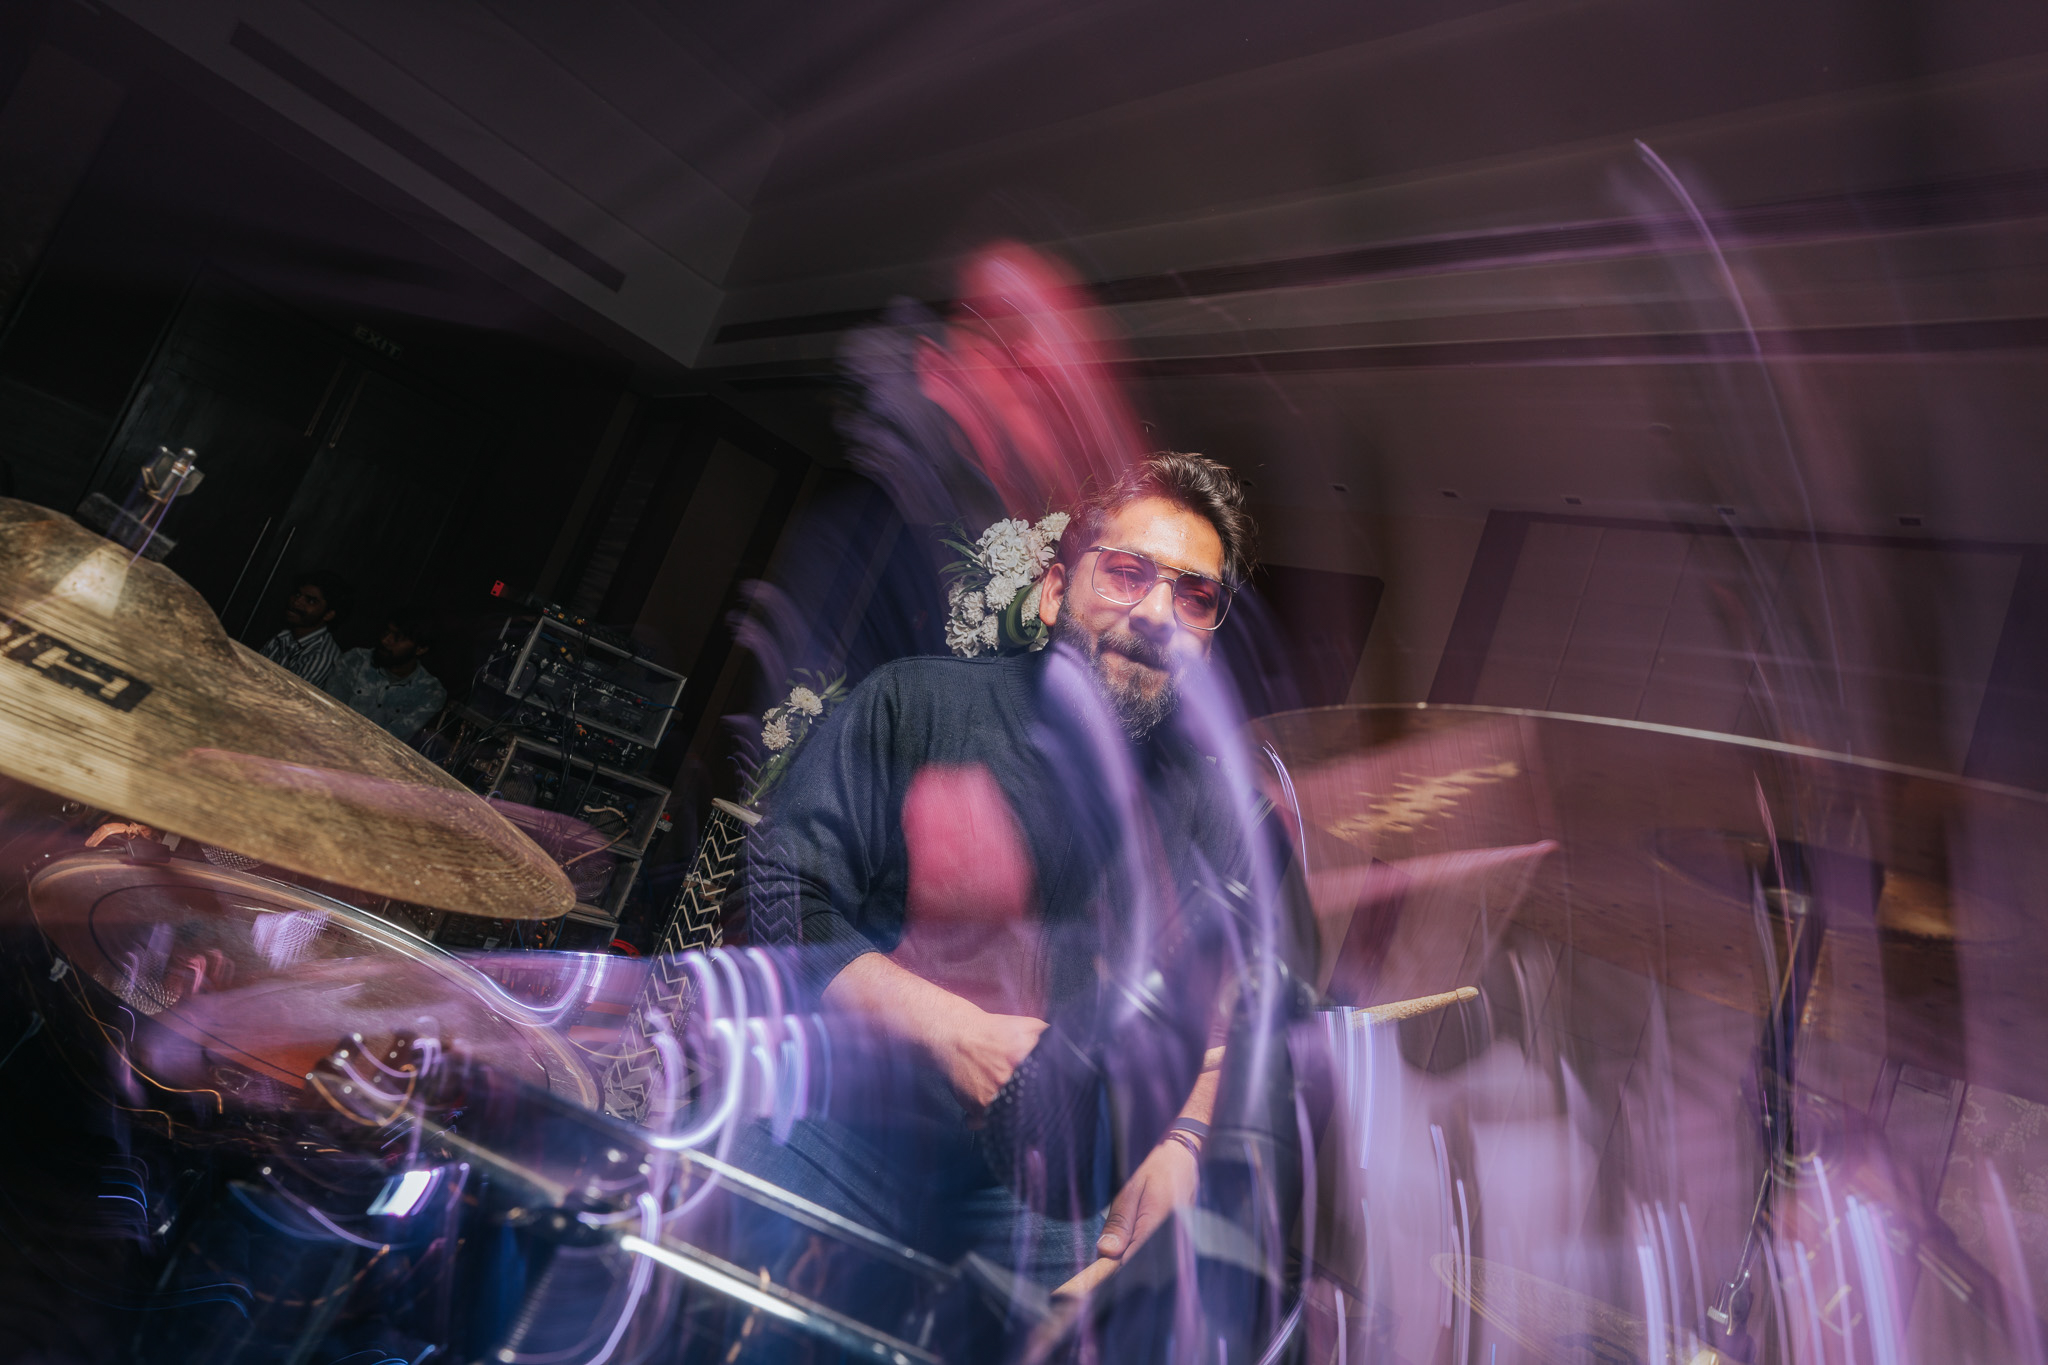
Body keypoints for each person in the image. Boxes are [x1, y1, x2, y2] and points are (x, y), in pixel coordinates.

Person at [742, 452, 1298, 1298]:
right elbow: (784, 895)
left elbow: (1223, 1020)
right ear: (1052, 591)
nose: (1158, 613)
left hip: (1041, 1200)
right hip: (835, 1124)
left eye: (1194, 596)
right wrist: (949, 1030)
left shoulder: (1222, 817)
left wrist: (1182, 1142)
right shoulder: (915, 704)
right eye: (1126, 573)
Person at [325, 612, 447, 742]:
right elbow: (329, 709)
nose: (385, 641)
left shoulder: (430, 692)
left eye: (397, 638)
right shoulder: (356, 659)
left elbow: (392, 739)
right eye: (386, 632)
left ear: (420, 649)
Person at [259, 573, 348, 688]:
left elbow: (286, 694)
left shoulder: (321, 656)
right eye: (297, 594)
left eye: (310, 601)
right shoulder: (283, 636)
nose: (296, 602)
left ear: (328, 614)